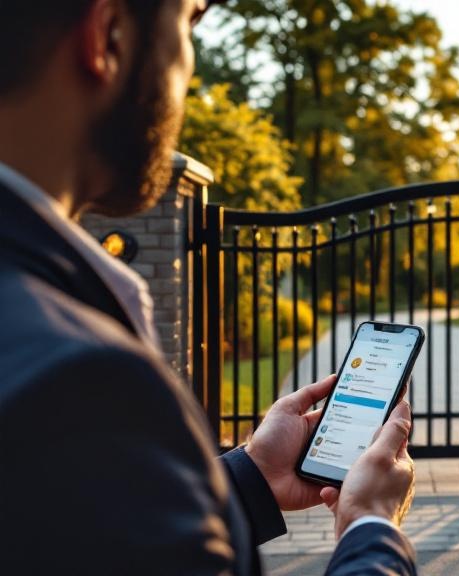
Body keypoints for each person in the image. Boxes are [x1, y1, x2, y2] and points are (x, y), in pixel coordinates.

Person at [0, 0, 417, 574]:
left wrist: (251, 479)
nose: (189, 64)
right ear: (108, 33)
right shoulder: (76, 383)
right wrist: (371, 526)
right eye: (190, 19)